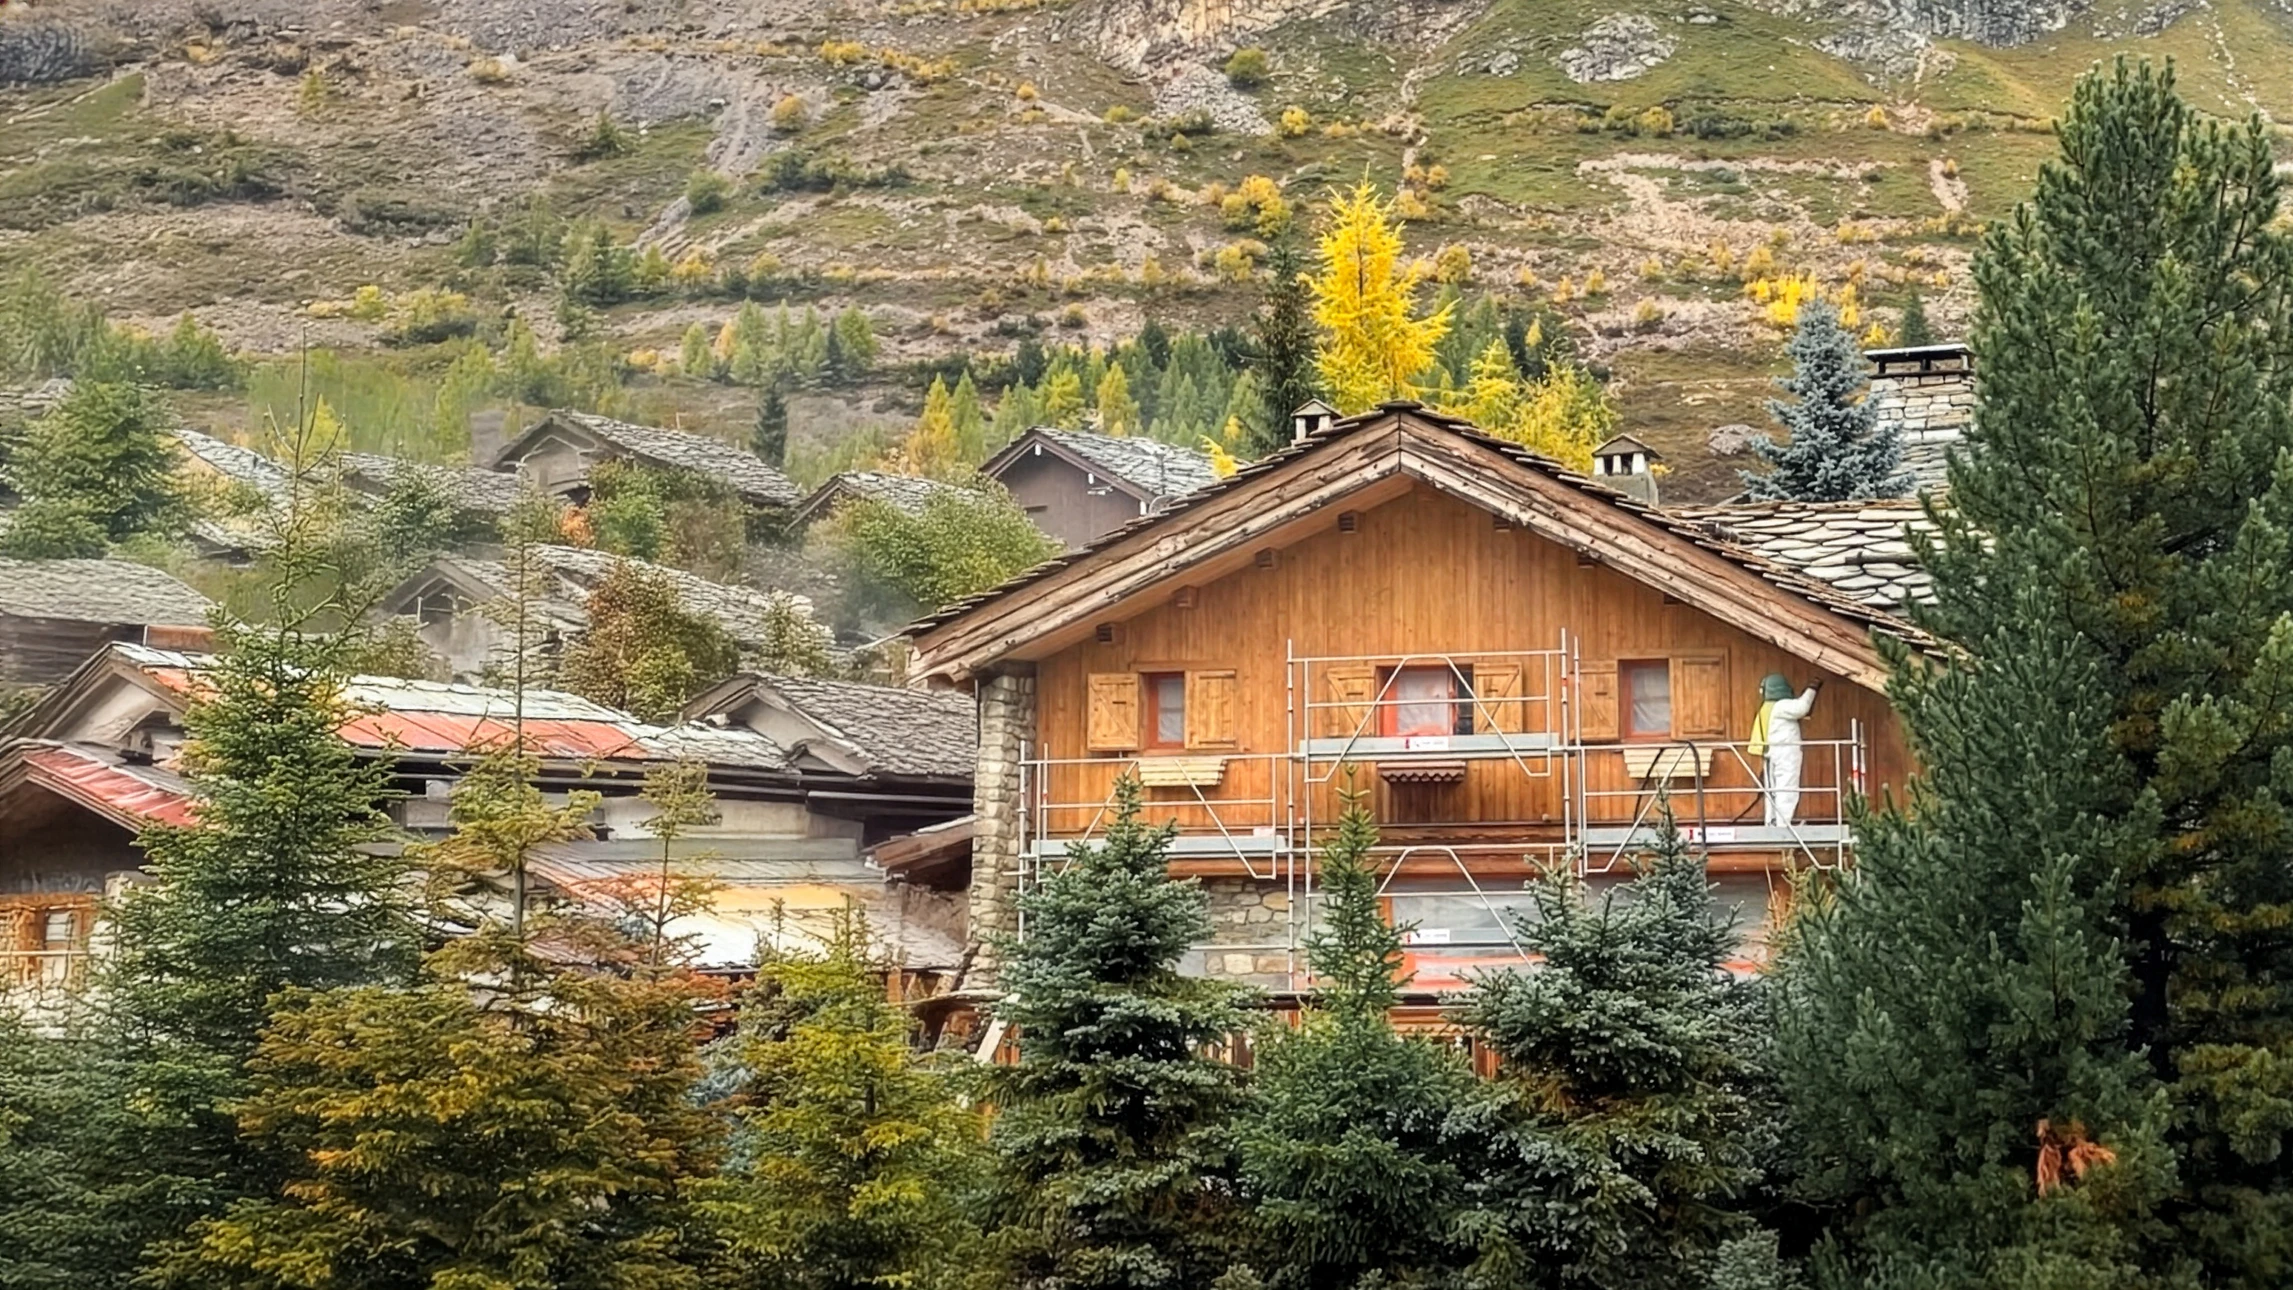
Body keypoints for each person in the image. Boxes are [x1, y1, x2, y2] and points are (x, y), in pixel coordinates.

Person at [1747, 673, 1821, 826]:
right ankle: (1783, 825)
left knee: (1772, 791)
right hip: (1785, 754)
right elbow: (1802, 708)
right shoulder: (1780, 706)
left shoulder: (1765, 709)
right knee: (1787, 788)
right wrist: (1812, 688)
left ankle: (1772, 823)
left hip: (1771, 754)